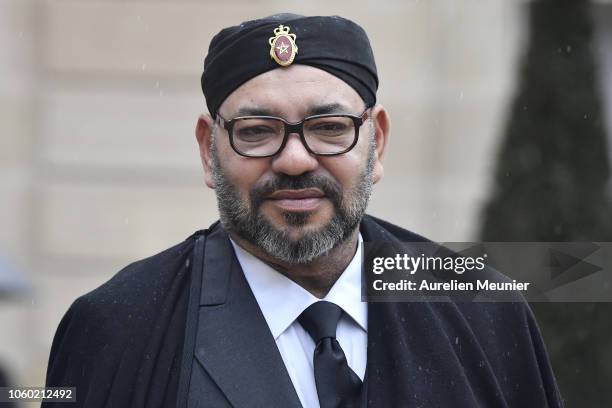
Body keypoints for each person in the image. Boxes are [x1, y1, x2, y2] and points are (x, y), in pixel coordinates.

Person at [43, 13, 563, 408]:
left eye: (330, 128)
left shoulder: (482, 312)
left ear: (376, 142)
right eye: (257, 132)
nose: (294, 159)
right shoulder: (120, 328)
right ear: (208, 150)